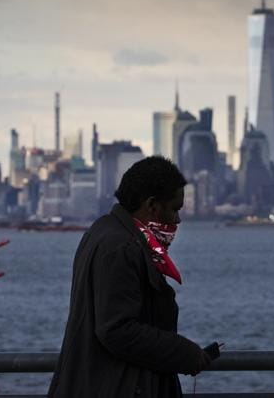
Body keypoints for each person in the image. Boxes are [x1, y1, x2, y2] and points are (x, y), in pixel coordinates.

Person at [49, 156, 213, 397]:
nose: (177, 219)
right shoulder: (122, 247)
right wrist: (184, 353)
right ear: (152, 206)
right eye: (175, 209)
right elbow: (117, 329)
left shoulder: (104, 231)